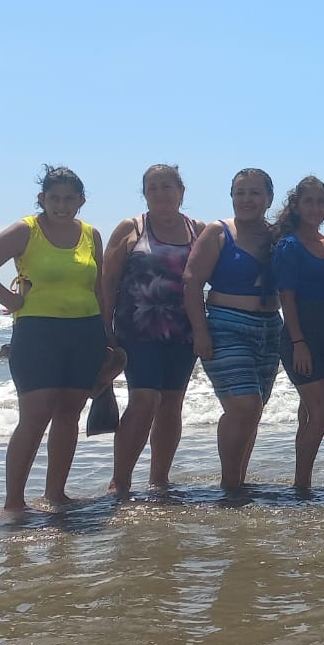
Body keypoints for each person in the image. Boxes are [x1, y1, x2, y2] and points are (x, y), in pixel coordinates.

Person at [0, 165, 107, 512]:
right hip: (37, 333)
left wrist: (109, 333)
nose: (61, 205)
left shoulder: (91, 235)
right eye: (54, 198)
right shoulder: (25, 230)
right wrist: (11, 300)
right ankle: (14, 503)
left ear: (81, 200)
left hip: (86, 332)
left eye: (69, 199)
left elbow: (99, 287)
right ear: (42, 198)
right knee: (35, 415)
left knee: (69, 414)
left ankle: (56, 495)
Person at [100, 164, 205, 493]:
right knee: (144, 400)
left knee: (172, 404)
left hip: (183, 332)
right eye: (153, 188)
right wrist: (105, 329)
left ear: (181, 191)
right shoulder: (131, 228)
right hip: (137, 331)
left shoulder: (198, 230)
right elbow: (107, 282)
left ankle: (159, 480)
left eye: (167, 186)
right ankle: (120, 482)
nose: (160, 193)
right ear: (144, 194)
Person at [184, 169, 281, 491]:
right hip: (226, 326)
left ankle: (238, 482)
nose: (247, 199)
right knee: (244, 405)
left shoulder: (277, 236)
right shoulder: (218, 232)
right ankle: (229, 485)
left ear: (269, 198)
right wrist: (200, 331)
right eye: (240, 193)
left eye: (255, 193)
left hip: (270, 329)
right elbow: (191, 282)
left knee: (254, 410)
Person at [272, 176, 324, 490]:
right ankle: (301, 485)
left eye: (320, 201)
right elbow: (287, 298)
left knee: (308, 414)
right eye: (308, 201)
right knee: (323, 413)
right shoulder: (289, 246)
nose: (315, 207)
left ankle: (303, 486)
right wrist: (299, 342)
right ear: (296, 206)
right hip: (300, 337)